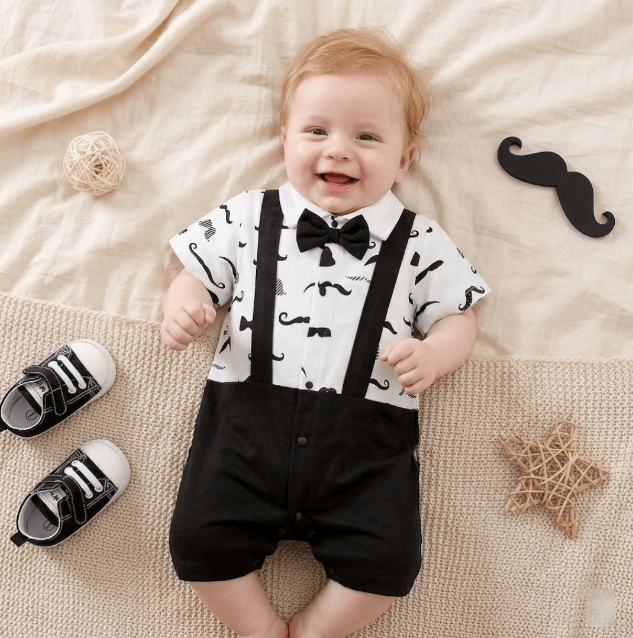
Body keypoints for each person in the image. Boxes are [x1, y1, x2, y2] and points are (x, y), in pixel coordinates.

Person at [161, 27, 490, 638]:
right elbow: (192, 272)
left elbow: (459, 315)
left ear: (404, 160)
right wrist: (187, 303)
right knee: (196, 544)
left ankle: (315, 629)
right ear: (284, 140)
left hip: (365, 449)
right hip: (242, 433)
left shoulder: (420, 241)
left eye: (366, 136)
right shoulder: (248, 216)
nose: (339, 151)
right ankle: (260, 629)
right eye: (317, 131)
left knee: (389, 563)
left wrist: (435, 353)